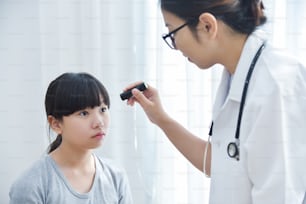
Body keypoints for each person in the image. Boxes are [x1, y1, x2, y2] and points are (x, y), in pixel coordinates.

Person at [123, 0, 306, 203]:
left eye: (173, 33)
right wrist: (161, 119)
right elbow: (221, 163)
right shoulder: (236, 75)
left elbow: (280, 196)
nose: (175, 46)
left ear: (207, 25)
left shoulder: (277, 83)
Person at [9, 72, 133, 204]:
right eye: (84, 113)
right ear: (56, 124)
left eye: (103, 110)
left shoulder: (116, 176)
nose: (99, 122)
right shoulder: (31, 185)